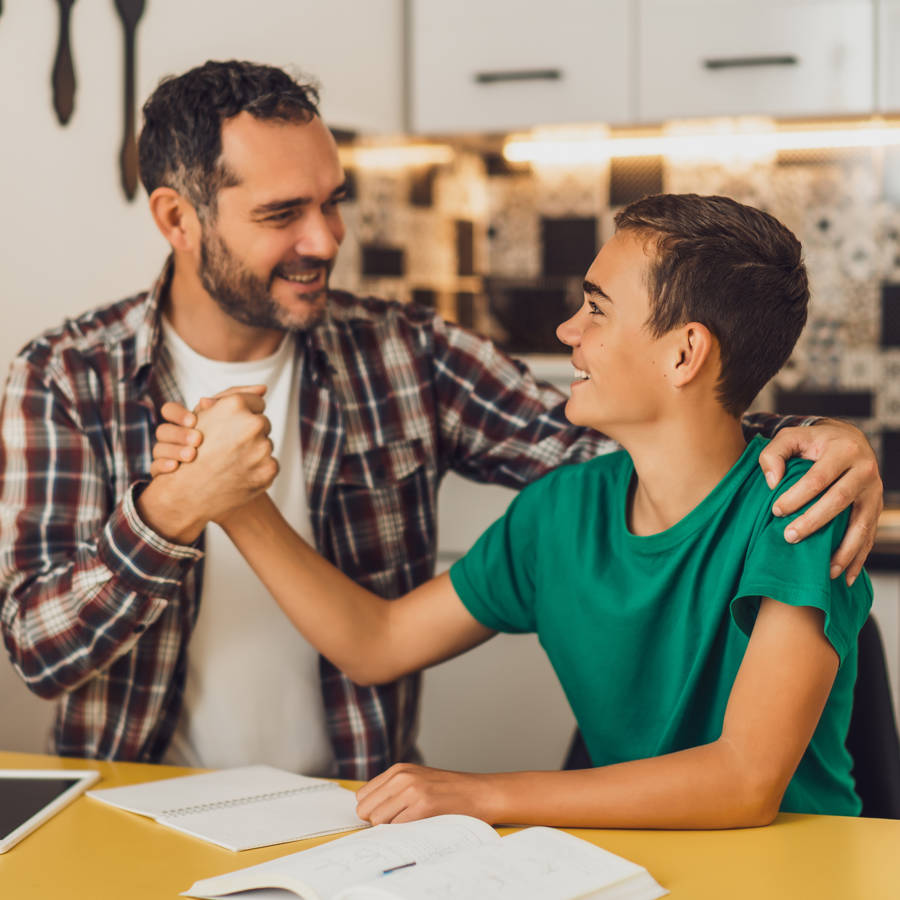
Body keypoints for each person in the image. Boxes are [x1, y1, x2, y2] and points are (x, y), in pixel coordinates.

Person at [0, 60, 879, 781]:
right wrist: (180, 506)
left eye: (332, 200)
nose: (327, 238)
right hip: (139, 798)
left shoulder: (405, 353)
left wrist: (812, 443)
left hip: (348, 808)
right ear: (176, 219)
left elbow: (653, 439)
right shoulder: (64, 378)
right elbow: (41, 653)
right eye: (282, 214)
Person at [153, 194, 873, 827]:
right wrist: (237, 505)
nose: (567, 333)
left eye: (595, 309)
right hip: (639, 866)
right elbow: (377, 643)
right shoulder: (560, 513)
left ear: (685, 354)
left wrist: (483, 795)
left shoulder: (803, 504)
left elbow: (744, 783)